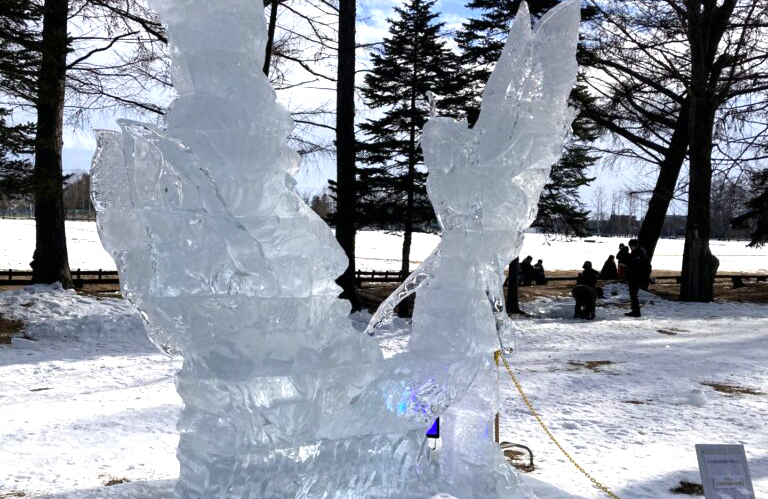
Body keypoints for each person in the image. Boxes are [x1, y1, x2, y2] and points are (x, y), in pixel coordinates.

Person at [625, 239, 651, 317]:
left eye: (631, 246)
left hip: (637, 277)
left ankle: (636, 311)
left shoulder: (640, 254)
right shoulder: (635, 253)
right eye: (630, 246)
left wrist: (643, 277)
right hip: (633, 277)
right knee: (632, 294)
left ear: (635, 246)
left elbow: (646, 267)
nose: (630, 247)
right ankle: (634, 310)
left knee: (633, 294)